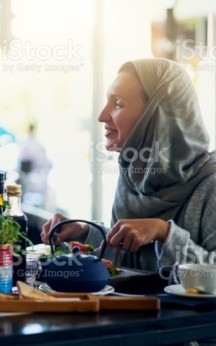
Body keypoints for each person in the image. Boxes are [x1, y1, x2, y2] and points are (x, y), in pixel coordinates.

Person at [41, 58, 216, 276]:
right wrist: (86, 232)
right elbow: (132, 260)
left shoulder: (211, 184)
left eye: (118, 104)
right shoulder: (133, 173)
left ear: (156, 115)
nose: (102, 116)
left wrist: (164, 233)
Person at [17, 123, 53, 206]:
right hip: (26, 166)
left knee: (30, 189)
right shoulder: (26, 140)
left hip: (31, 168)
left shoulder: (32, 141)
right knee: (26, 188)